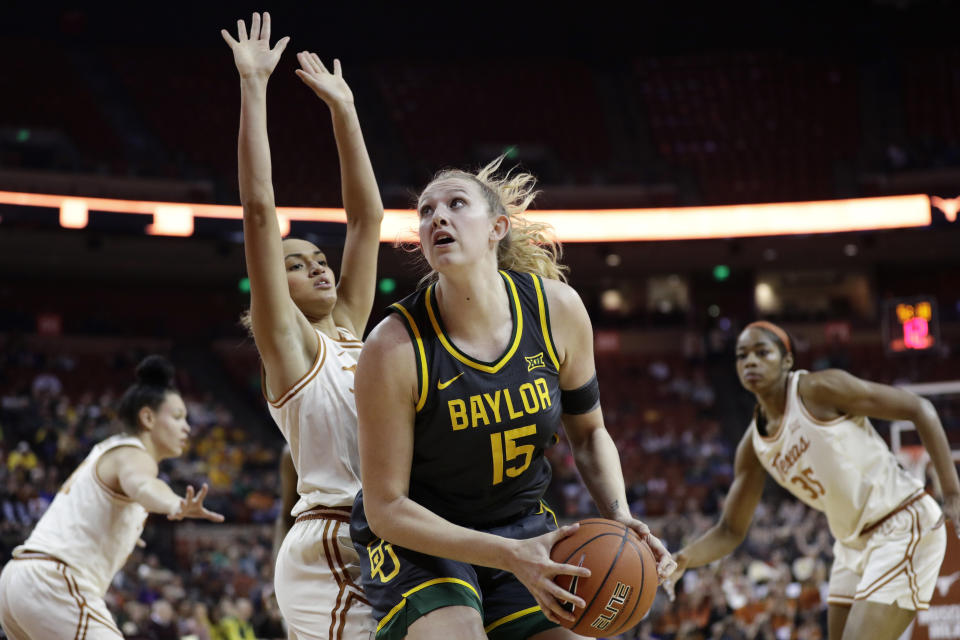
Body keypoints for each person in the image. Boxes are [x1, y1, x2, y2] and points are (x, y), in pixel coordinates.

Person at [350, 158, 675, 640]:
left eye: (456, 204)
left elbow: (588, 435)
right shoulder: (393, 347)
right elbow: (386, 508)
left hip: (520, 526)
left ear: (496, 228)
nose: (437, 217)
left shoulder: (556, 310)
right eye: (425, 211)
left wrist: (621, 517)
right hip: (420, 538)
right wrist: (504, 555)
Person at [221, 11, 384, 639]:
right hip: (332, 545)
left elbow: (366, 221)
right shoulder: (288, 343)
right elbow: (260, 212)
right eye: (297, 265)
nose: (318, 268)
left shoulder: (351, 326)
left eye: (320, 260)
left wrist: (345, 111)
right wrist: (254, 85)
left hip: (387, 531)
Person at [665, 321, 960, 640]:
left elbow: (920, 409)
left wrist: (952, 492)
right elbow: (730, 530)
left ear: (787, 361)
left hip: (900, 523)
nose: (750, 361)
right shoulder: (752, 446)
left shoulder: (818, 390)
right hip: (851, 544)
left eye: (762, 352)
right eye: (742, 355)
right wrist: (684, 558)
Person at [0, 355, 223, 640]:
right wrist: (175, 504)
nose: (187, 427)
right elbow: (144, 485)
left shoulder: (107, 451)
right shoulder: (134, 454)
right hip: (54, 583)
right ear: (148, 417)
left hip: (19, 580)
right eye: (178, 416)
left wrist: (126, 532)